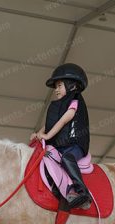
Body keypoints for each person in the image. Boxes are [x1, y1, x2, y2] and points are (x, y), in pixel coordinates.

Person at [31, 63, 91, 209]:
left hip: (75, 144)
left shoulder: (75, 102)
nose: (56, 90)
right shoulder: (59, 106)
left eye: (59, 86)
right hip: (61, 145)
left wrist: (47, 135)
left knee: (67, 158)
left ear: (72, 86)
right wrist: (38, 134)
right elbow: (51, 123)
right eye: (56, 87)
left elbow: (64, 119)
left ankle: (82, 192)